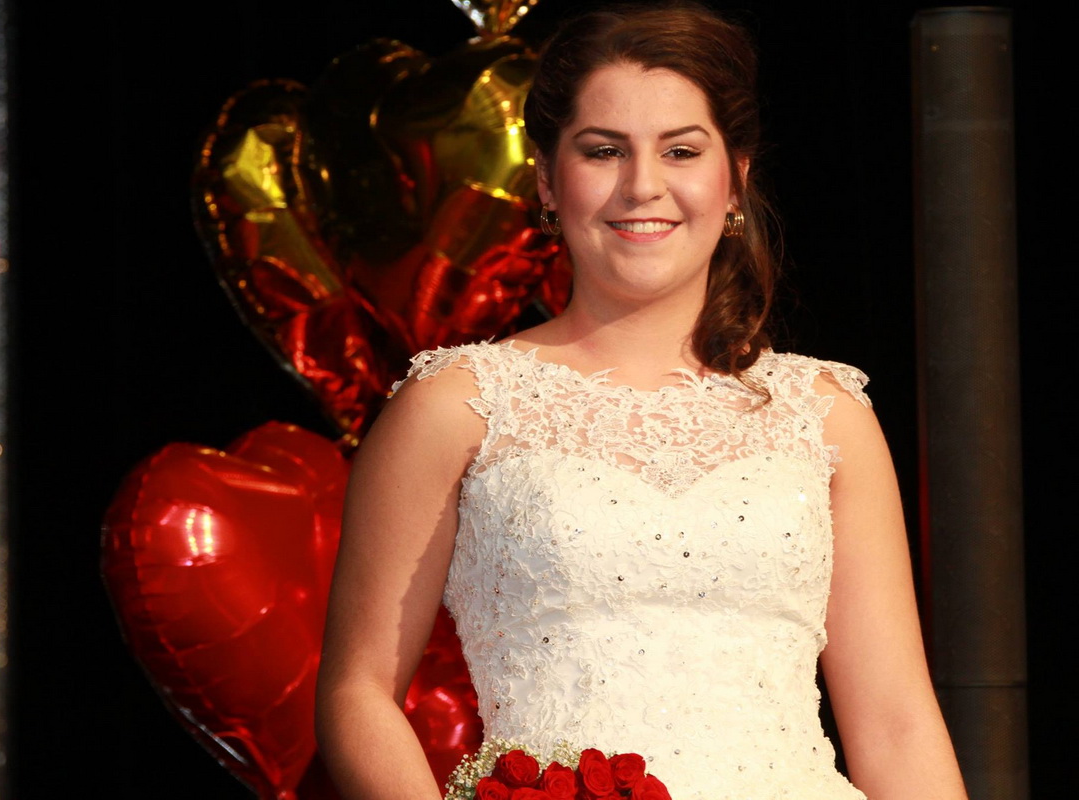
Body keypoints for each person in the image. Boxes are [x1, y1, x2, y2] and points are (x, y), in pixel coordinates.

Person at [315, 3, 969, 798]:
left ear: (736, 180)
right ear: (547, 181)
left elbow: (897, 724)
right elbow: (357, 692)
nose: (643, 186)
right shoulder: (457, 404)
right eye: (604, 151)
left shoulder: (824, 412)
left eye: (681, 151)